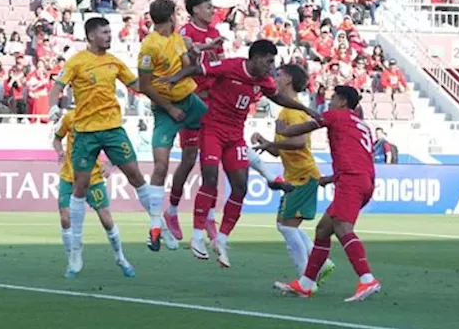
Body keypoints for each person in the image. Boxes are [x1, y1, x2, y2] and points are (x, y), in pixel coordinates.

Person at [158, 39, 318, 267]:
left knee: (240, 187)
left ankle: (221, 239)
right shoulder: (231, 66)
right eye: (269, 61)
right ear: (255, 58)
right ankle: (196, 236)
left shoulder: (264, 81)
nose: (271, 66)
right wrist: (176, 77)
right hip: (212, 129)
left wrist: (304, 107)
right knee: (210, 178)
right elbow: (198, 69)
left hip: (235, 136)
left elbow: (278, 97)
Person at [48, 17, 168, 278]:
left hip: (113, 129)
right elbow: (58, 86)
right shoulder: (77, 61)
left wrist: (160, 88)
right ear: (91, 35)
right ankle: (76, 251)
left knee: (135, 175)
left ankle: (158, 222)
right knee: (79, 187)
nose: (108, 36)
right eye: (104, 32)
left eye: (109, 32)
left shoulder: (114, 61)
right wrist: (53, 106)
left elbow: (136, 85)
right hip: (85, 133)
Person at [268, 85, 381, 301]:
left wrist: (284, 130)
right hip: (364, 180)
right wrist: (331, 178)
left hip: (351, 180)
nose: (329, 103)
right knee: (322, 230)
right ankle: (306, 284)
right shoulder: (363, 125)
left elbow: (309, 126)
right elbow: (357, 155)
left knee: (342, 227)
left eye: (333, 99)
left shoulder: (336, 116)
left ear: (342, 102)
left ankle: (367, 279)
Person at [249, 63, 335, 284]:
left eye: (278, 74)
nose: (274, 78)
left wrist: (270, 142)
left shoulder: (294, 111)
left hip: (302, 175)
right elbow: (279, 151)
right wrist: (264, 142)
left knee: (286, 226)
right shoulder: (288, 110)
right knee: (286, 225)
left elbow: (298, 143)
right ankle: (320, 264)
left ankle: (306, 278)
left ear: (288, 80)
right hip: (298, 175)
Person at [136, 0, 208, 252]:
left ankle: (204, 217)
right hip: (166, 110)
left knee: (222, 128)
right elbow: (144, 86)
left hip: (190, 101)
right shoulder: (149, 47)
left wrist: (192, 56)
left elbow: (189, 68)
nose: (178, 21)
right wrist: (169, 108)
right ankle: (156, 225)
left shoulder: (175, 38)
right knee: (161, 166)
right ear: (169, 19)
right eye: (175, 17)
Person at [164, 0, 227, 244]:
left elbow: (220, 65)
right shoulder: (185, 34)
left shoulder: (215, 34)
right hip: (192, 101)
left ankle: (209, 216)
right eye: (208, 7)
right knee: (189, 158)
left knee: (212, 162)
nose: (213, 11)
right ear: (195, 11)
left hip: (214, 103)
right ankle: (171, 211)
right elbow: (185, 62)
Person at [52, 105, 133, 278]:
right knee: (65, 218)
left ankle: (120, 258)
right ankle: (72, 260)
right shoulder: (69, 118)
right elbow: (57, 138)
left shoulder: (100, 119)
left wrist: (110, 164)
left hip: (93, 178)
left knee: (106, 219)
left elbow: (115, 144)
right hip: (69, 177)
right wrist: (60, 152)